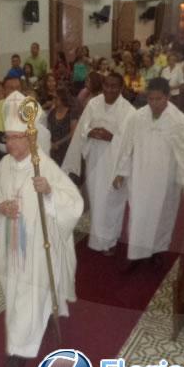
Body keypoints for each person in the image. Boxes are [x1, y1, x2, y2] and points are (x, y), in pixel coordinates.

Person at [0, 90, 83, 367]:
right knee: (17, 294)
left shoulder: (44, 165)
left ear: (30, 138)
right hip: (10, 245)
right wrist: (0, 206)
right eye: (7, 137)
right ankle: (32, 328)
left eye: (16, 137)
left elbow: (74, 203)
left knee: (28, 297)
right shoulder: (3, 166)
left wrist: (50, 192)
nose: (10, 143)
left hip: (38, 250)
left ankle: (19, 351)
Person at [113, 77, 184, 264]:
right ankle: (136, 254)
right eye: (150, 99)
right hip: (140, 176)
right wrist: (120, 173)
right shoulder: (137, 117)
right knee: (138, 215)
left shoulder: (178, 121)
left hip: (166, 180)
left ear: (168, 97)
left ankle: (157, 252)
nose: (154, 103)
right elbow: (126, 147)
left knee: (162, 216)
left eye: (159, 99)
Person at [63, 73, 136, 254]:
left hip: (116, 163)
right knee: (97, 201)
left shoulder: (129, 111)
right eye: (107, 85)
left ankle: (110, 240)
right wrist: (90, 132)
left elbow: (132, 143)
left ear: (121, 88)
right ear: (102, 86)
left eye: (114, 87)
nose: (110, 90)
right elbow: (81, 129)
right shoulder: (93, 104)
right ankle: (98, 239)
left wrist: (111, 137)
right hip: (95, 158)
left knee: (111, 202)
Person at [46, 88, 78, 166]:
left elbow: (73, 133)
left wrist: (58, 143)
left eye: (56, 98)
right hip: (53, 148)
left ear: (63, 99)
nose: (54, 100)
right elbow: (48, 130)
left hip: (67, 148)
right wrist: (51, 143)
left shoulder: (71, 112)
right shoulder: (52, 113)